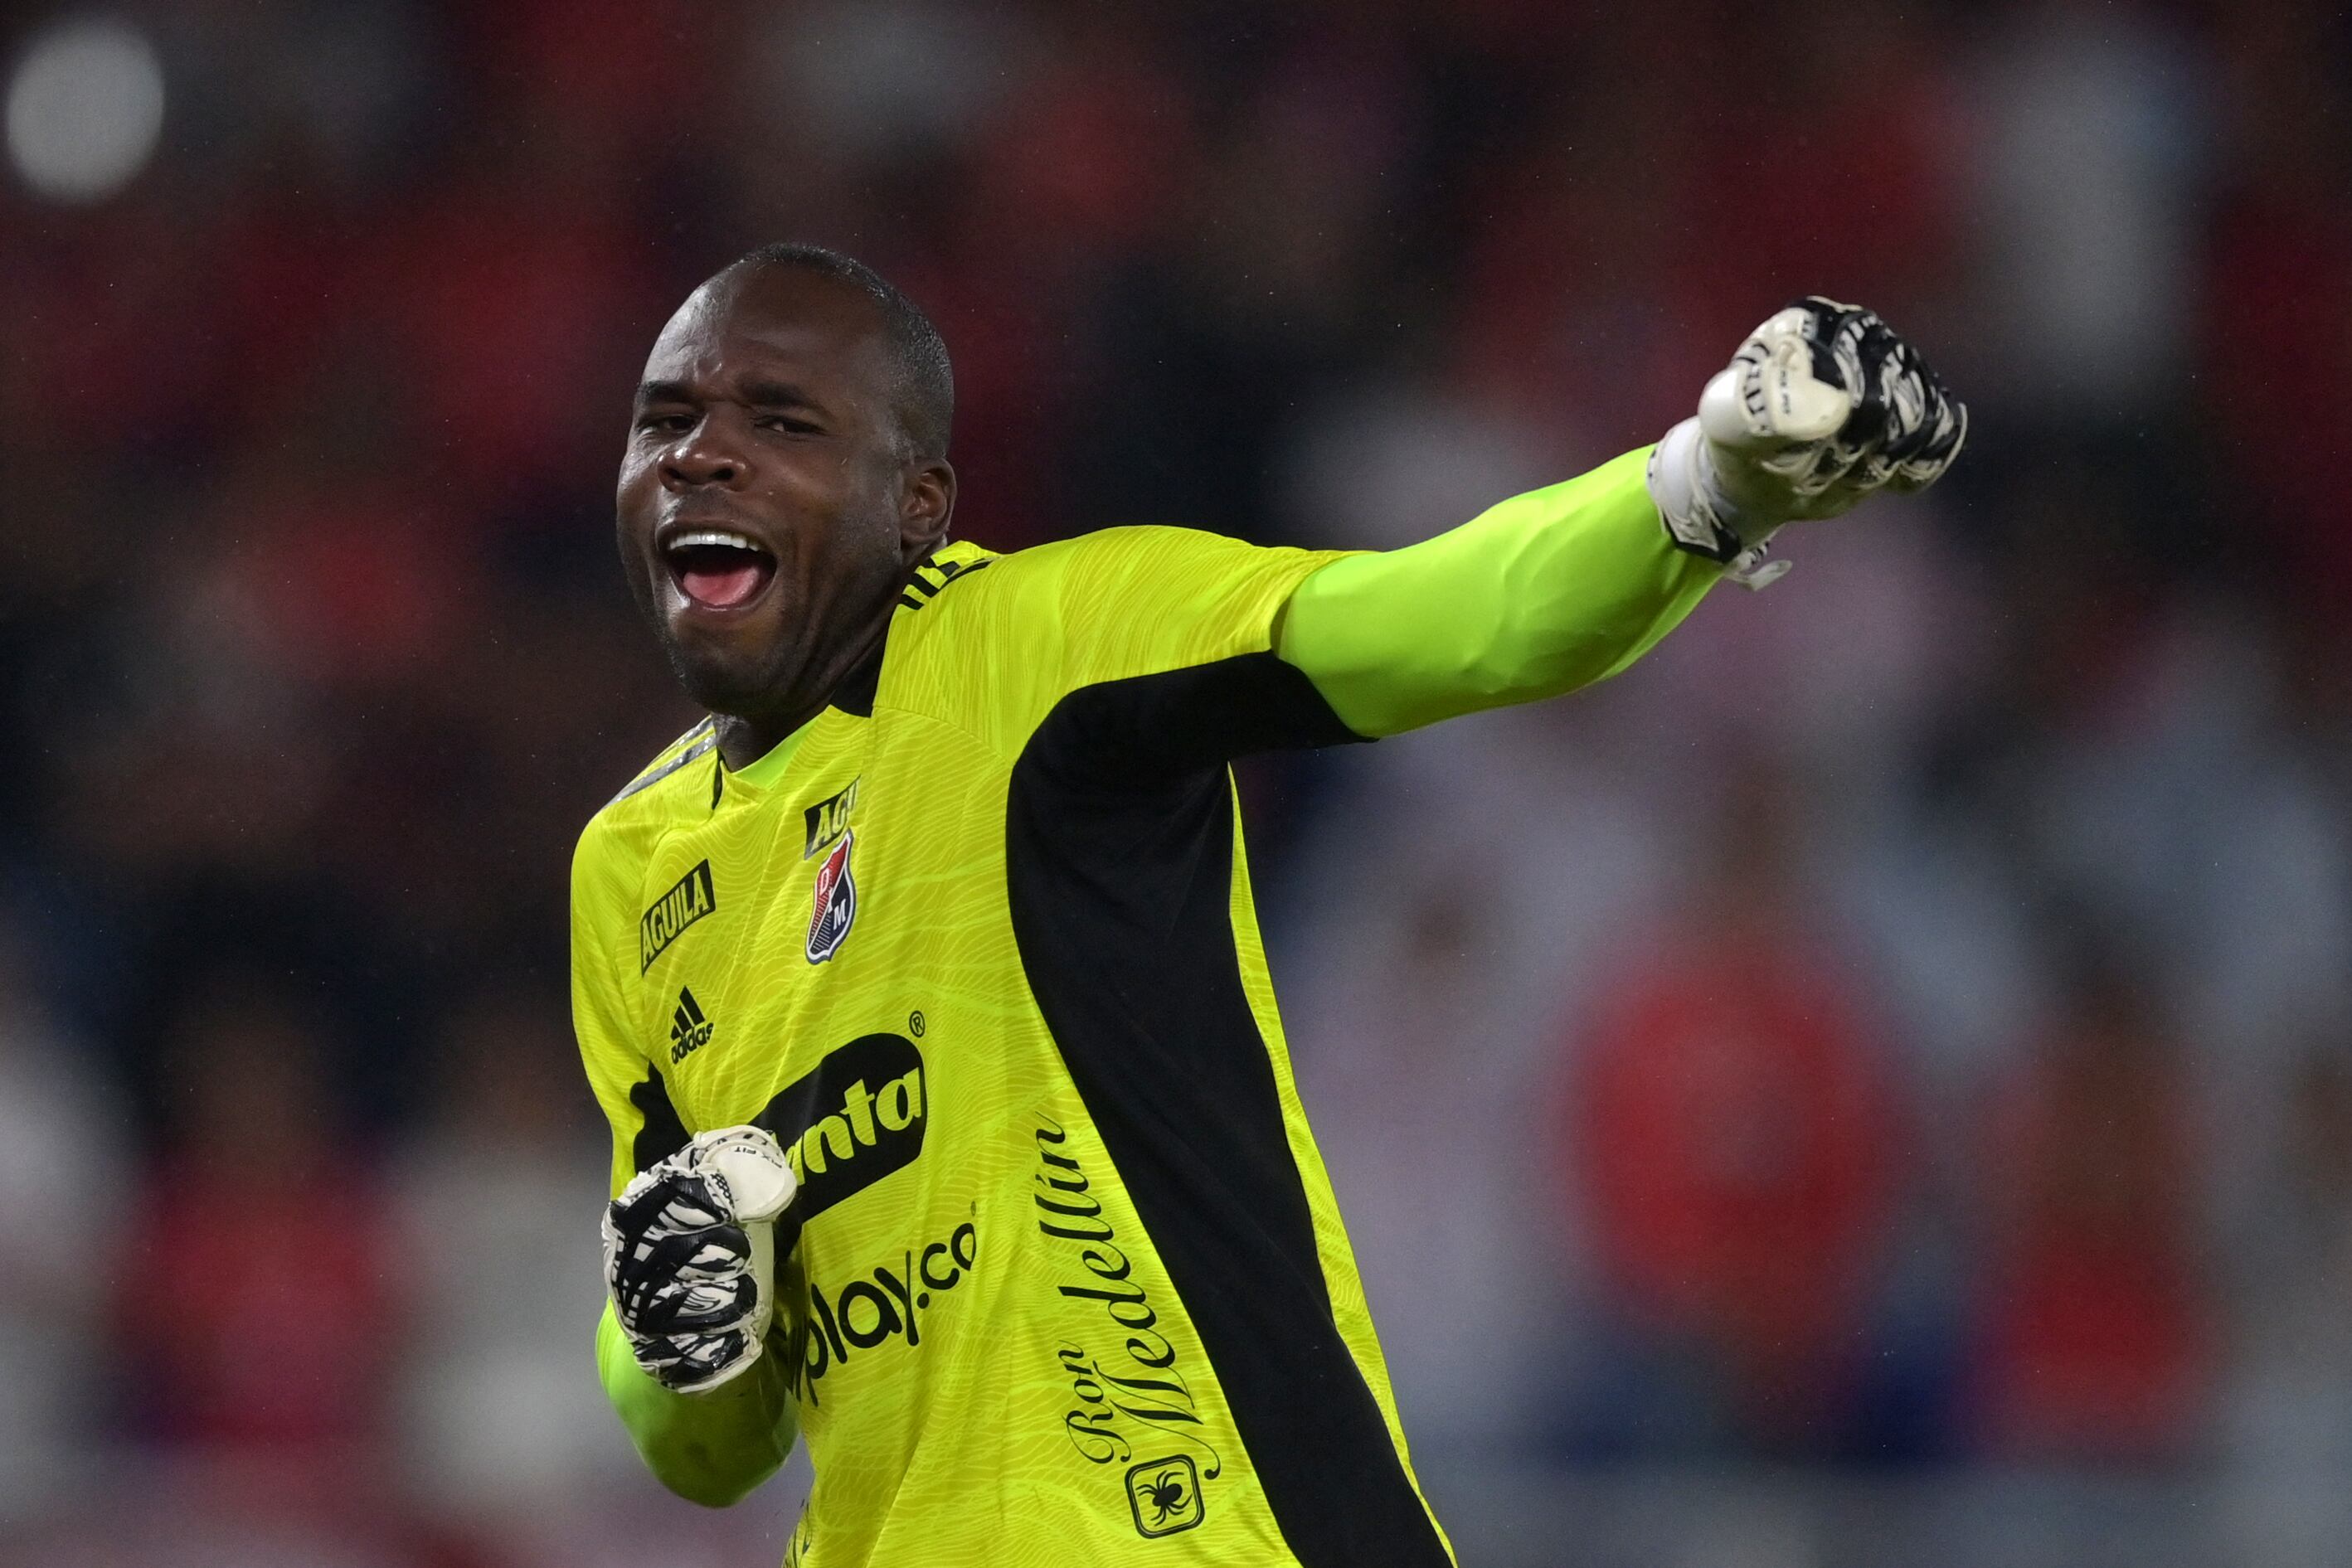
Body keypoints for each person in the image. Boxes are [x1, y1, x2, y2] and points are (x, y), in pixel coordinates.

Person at [572, 243, 1963, 1567]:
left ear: (918, 505)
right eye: (667, 420)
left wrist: (1705, 481)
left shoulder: (1045, 650)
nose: (701, 452)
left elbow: (1441, 617)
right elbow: (700, 1440)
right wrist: (676, 1327)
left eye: (781, 421)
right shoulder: (630, 873)